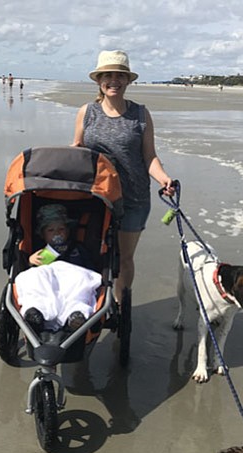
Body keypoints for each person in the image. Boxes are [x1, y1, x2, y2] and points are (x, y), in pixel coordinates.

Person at [72, 50, 175, 302]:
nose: (113, 80)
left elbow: (149, 156)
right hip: (96, 197)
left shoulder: (140, 114)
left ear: (128, 80)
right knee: (92, 252)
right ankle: (91, 305)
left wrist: (163, 177)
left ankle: (120, 306)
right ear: (99, 81)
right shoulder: (87, 112)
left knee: (124, 257)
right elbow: (77, 150)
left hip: (134, 198)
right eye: (107, 75)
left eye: (119, 75)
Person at [15, 204, 100, 333]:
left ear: (68, 231)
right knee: (33, 277)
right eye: (51, 230)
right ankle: (36, 311)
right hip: (48, 283)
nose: (57, 233)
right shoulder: (40, 251)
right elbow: (28, 271)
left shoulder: (77, 248)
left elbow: (90, 271)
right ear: (43, 235)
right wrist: (30, 261)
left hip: (71, 281)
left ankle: (75, 314)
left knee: (81, 283)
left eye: (61, 229)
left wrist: (84, 273)